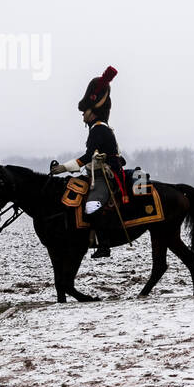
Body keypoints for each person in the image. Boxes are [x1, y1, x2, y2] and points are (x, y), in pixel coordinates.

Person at [51, 66, 126, 258]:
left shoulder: (98, 129)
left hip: (104, 176)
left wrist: (63, 168)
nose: (82, 115)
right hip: (97, 173)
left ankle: (104, 245)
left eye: (84, 111)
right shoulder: (101, 128)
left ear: (93, 111)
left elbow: (86, 157)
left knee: (91, 207)